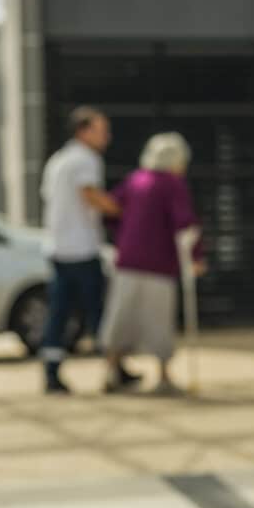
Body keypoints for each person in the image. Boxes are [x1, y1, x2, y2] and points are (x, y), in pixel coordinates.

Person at [99, 133, 204, 395]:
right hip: (158, 263)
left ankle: (111, 371)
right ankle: (164, 376)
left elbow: (112, 208)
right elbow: (185, 224)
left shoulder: (136, 180)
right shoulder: (172, 183)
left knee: (121, 316)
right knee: (158, 319)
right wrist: (196, 257)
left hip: (127, 259)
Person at [39, 106, 121, 394]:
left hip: (58, 248)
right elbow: (90, 195)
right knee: (98, 311)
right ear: (83, 131)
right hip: (82, 249)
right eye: (102, 130)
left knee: (58, 314)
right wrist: (123, 210)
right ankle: (114, 369)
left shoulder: (58, 161)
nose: (107, 137)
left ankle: (51, 372)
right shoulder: (86, 160)